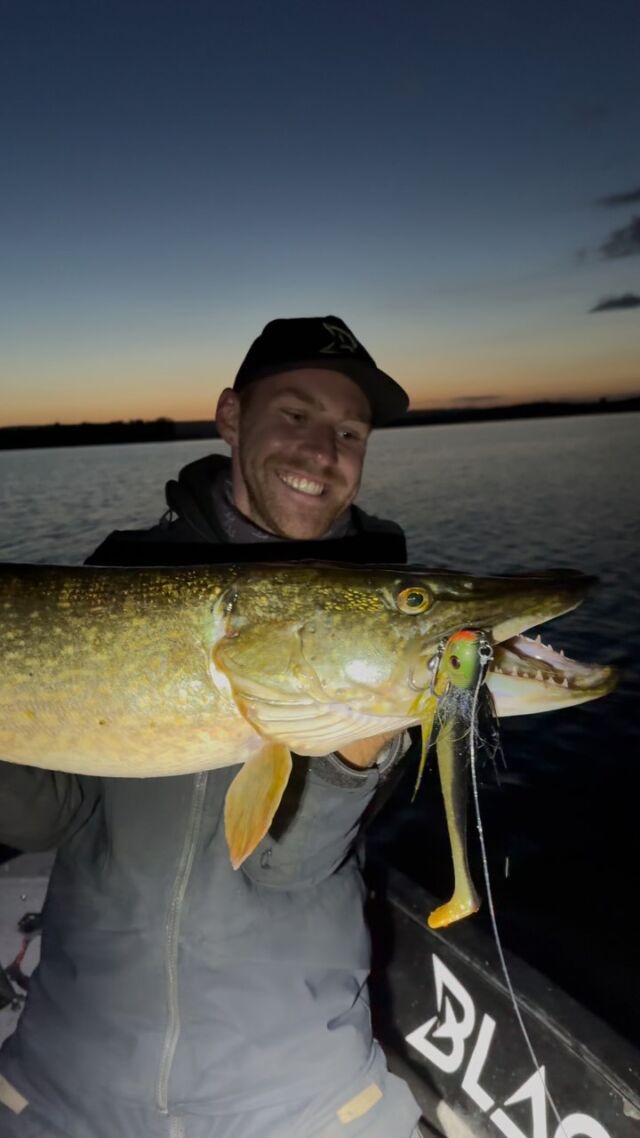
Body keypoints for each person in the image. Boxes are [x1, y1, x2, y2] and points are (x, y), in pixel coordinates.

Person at [0, 316, 424, 1138]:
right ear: (231, 415)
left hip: (299, 1092)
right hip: (68, 1078)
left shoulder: (389, 632)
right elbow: (50, 814)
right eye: (295, 416)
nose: (321, 453)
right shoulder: (119, 575)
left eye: (348, 432)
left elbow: (286, 866)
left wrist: (356, 754)